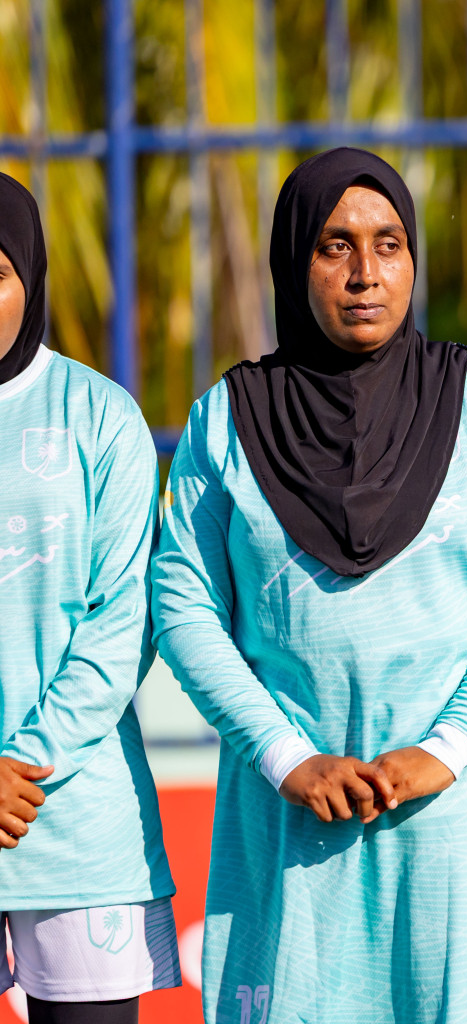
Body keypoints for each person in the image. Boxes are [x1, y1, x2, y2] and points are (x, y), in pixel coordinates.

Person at [150, 148, 467, 1023]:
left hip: (453, 820)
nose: (365, 274)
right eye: (334, 246)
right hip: (290, 822)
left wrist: (445, 750)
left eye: (388, 244)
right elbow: (184, 605)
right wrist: (285, 756)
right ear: (292, 258)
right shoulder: (228, 418)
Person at [0, 173, 180, 1023]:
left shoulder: (100, 416)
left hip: (73, 819)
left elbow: (125, 619)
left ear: (29, 279)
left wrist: (23, 766)